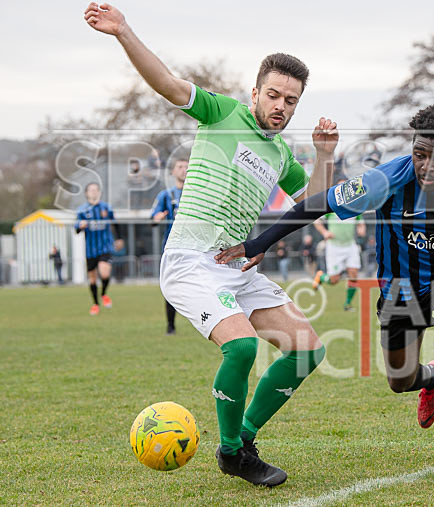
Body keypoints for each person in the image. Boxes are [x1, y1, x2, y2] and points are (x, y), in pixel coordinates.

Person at [214, 105, 434, 480]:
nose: (425, 165)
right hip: (400, 287)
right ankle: (431, 377)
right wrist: (262, 242)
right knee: (400, 381)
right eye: (419, 154)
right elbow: (319, 204)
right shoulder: (385, 180)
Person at [85, 2, 336, 487]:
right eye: (274, 95)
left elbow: (314, 200)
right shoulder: (221, 112)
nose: (281, 106)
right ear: (255, 92)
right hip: (190, 262)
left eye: (291, 100)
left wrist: (325, 156)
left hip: (236, 265)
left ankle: (243, 437)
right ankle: (231, 453)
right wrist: (123, 32)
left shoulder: (282, 151)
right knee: (241, 349)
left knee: (306, 350)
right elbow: (168, 84)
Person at [151, 159, 187, 335]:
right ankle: (171, 325)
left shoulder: (197, 194)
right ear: (173, 172)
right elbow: (154, 217)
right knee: (172, 287)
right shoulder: (166, 195)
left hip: (197, 247)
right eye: (180, 167)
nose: (184, 170)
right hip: (172, 248)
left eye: (187, 166)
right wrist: (157, 218)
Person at [75, 183, 123, 315]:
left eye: (96, 190)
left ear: (99, 193)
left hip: (105, 247)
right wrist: (81, 226)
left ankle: (104, 294)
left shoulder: (106, 208)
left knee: (105, 272)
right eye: (91, 190)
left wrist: (119, 238)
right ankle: (95, 304)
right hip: (90, 250)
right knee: (92, 279)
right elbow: (76, 229)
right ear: (86, 193)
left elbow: (115, 223)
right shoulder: (82, 210)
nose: (94, 192)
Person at [312, 197, 367, 311]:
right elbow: (316, 221)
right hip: (334, 247)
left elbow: (361, 223)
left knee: (353, 274)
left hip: (350, 246)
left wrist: (361, 229)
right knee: (334, 280)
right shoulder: (332, 208)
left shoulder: (355, 208)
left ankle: (347, 304)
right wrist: (325, 232)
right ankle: (321, 276)